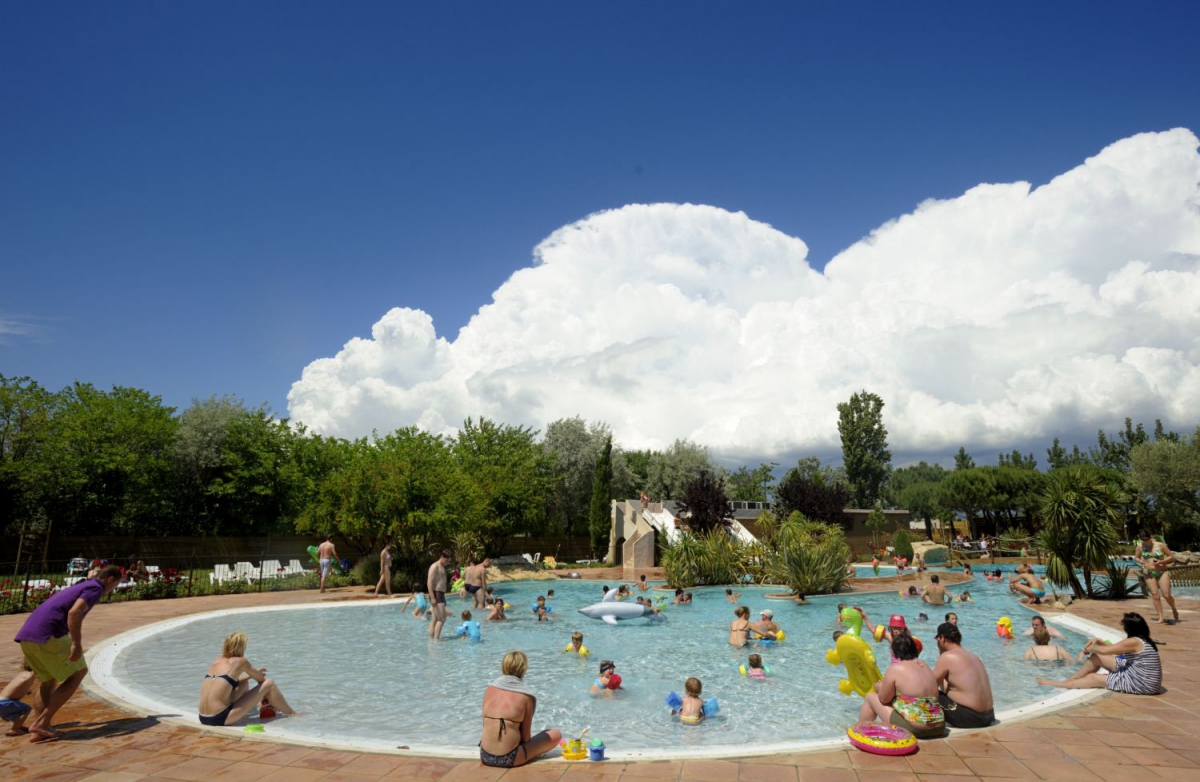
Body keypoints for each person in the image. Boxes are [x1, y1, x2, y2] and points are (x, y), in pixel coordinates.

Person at [14, 564, 122, 742]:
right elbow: (74, 612)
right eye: (114, 586)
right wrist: (76, 643)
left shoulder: (82, 585)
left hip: (28, 635)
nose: (112, 590)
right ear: (110, 579)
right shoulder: (95, 587)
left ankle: (38, 730)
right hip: (49, 634)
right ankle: (42, 723)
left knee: (48, 681)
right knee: (78, 673)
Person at [1037, 612, 1162, 694]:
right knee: (1097, 657)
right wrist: (1099, 642)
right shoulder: (1140, 639)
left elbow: (1104, 651)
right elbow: (1114, 649)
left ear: (1130, 628)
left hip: (1142, 683)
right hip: (1139, 675)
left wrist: (1089, 648)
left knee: (1093, 678)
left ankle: (1059, 684)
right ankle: (1071, 680)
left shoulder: (1134, 641)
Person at [479, 651, 561, 767]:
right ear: (523, 669)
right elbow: (526, 737)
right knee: (555, 734)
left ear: (504, 667)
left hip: (485, 756)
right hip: (509, 758)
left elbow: (485, 726)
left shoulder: (489, 689)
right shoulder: (526, 696)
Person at [199, 631, 295, 726]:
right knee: (270, 683)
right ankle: (292, 713)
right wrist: (257, 677)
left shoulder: (217, 661)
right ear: (241, 647)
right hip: (220, 717)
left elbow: (225, 683)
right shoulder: (241, 661)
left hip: (203, 718)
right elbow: (261, 681)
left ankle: (253, 709)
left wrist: (249, 676)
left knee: (244, 684)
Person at [859, 633, 945, 739]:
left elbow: (884, 699)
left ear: (895, 652)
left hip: (917, 729)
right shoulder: (925, 666)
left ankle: (860, 733)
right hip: (939, 726)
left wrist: (880, 688)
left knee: (870, 697)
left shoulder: (896, 669)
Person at [933, 623, 995, 728]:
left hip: (971, 718)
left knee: (924, 693)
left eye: (937, 639)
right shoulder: (973, 656)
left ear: (942, 638)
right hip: (989, 716)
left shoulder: (947, 657)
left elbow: (929, 686)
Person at [1135, 530, 1180, 625]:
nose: (1145, 541)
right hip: (1148, 572)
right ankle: (1160, 617)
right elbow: (1136, 557)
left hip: (1161, 571)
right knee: (1155, 595)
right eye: (1143, 539)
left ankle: (1173, 608)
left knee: (1166, 595)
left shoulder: (1160, 545)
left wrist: (1161, 562)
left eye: (1147, 539)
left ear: (1150, 537)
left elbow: (1170, 556)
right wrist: (1142, 562)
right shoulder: (1140, 547)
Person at [0, 662, 37, 736]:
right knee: (26, 709)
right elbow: (23, 680)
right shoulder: (29, 674)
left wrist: (25, 690)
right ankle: (15, 729)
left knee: (18, 710)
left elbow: (15, 685)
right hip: (6, 702)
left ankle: (18, 725)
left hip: (3, 701)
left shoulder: (22, 673)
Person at [427, 549, 451, 640]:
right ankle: (436, 639)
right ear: (441, 557)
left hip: (441, 594)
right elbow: (429, 582)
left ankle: (431, 639)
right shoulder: (435, 566)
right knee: (442, 619)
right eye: (446, 560)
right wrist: (432, 598)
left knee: (435, 619)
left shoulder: (442, 567)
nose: (447, 562)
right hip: (437, 594)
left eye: (448, 561)